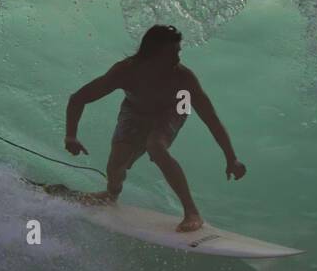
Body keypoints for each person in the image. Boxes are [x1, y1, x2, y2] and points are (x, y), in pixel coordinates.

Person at [63, 24, 246, 232]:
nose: (178, 59)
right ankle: (111, 193)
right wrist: (71, 136)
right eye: (171, 54)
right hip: (134, 110)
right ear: (153, 53)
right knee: (116, 163)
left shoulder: (183, 78)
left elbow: (211, 118)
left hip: (174, 108)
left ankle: (192, 212)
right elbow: (78, 98)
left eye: (178, 52)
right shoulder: (125, 71)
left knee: (156, 146)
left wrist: (231, 157)